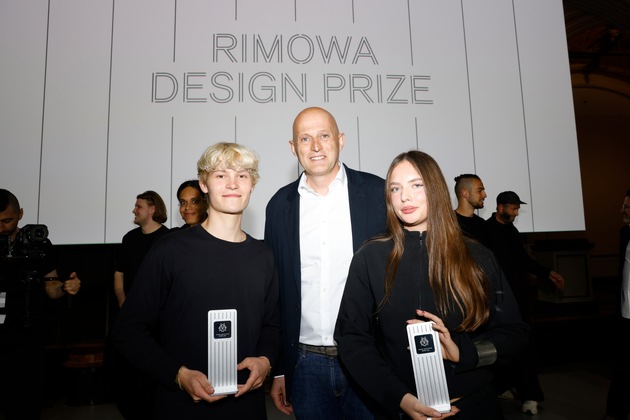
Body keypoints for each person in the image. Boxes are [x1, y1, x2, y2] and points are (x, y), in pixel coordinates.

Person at [334, 150, 529, 420]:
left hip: (474, 407)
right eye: (395, 188)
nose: (404, 197)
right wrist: (399, 398)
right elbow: (351, 338)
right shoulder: (370, 257)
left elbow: (515, 333)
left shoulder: (477, 256)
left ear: (435, 189)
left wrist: (464, 353)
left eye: (416, 185)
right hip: (400, 410)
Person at [113, 142, 280, 419]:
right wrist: (179, 375)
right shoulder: (170, 250)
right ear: (204, 184)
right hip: (181, 407)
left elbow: (272, 326)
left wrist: (266, 360)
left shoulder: (264, 256)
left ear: (252, 184)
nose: (233, 183)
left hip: (246, 407)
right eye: (221, 175)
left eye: (242, 175)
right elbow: (128, 330)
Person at [264, 106, 386, 419]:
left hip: (371, 360)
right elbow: (275, 294)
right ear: (293, 148)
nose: (315, 146)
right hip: (305, 366)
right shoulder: (278, 206)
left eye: (324, 136)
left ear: (340, 140)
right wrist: (280, 369)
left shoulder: (379, 194)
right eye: (305, 138)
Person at [0, 188, 81, 420]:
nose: (1, 228)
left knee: (26, 401)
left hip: (27, 333)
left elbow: (51, 285)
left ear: (20, 214)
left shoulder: (38, 244)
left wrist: (66, 287)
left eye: (7, 221)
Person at [485, 190, 565, 415]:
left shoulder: (511, 231)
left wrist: (547, 273)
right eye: (513, 208)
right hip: (494, 300)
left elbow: (523, 260)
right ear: (501, 207)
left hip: (516, 299)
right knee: (499, 345)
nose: (516, 212)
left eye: (517, 208)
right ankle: (503, 386)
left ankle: (530, 395)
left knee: (524, 344)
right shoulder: (486, 230)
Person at [110, 190, 170, 419]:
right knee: (125, 376)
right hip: (130, 317)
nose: (134, 210)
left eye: (139, 206)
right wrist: (124, 304)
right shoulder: (129, 238)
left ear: (153, 209)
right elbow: (119, 275)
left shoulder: (168, 239)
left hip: (158, 322)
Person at [603, 189, 630, 420]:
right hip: (625, 313)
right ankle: (615, 414)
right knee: (622, 367)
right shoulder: (625, 233)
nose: (622, 210)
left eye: (626, 207)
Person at [453, 173, 489, 245]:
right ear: (465, 194)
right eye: (479, 191)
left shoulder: (482, 225)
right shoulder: (448, 223)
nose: (485, 195)